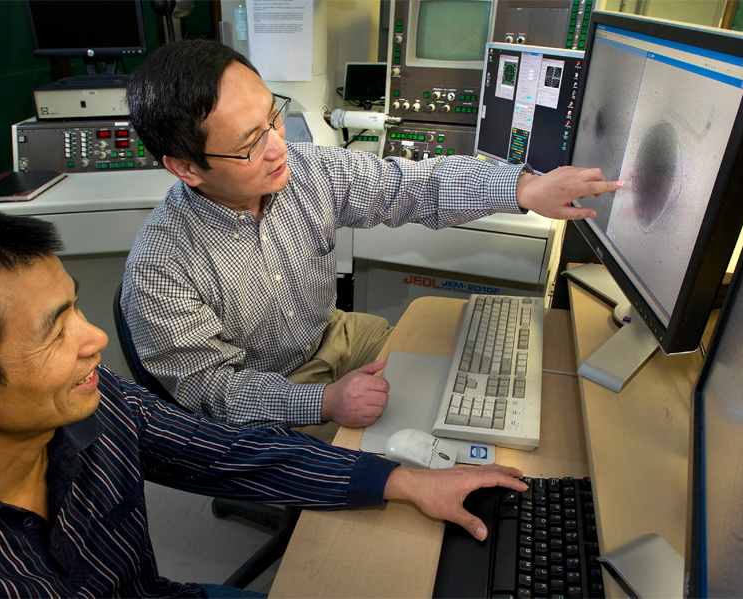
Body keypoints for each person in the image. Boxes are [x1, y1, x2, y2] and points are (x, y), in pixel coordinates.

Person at [0, 208, 528, 598]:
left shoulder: (96, 409)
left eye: (75, 304)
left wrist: (402, 479)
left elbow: (235, 455)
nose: (96, 336)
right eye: (54, 330)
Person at [122, 39, 621, 433]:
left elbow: (414, 186)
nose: (280, 149)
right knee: (383, 466)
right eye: (252, 143)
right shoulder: (160, 267)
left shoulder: (307, 172)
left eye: (273, 118)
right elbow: (214, 390)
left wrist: (524, 187)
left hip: (330, 335)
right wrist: (323, 401)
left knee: (438, 381)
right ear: (185, 167)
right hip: (263, 390)